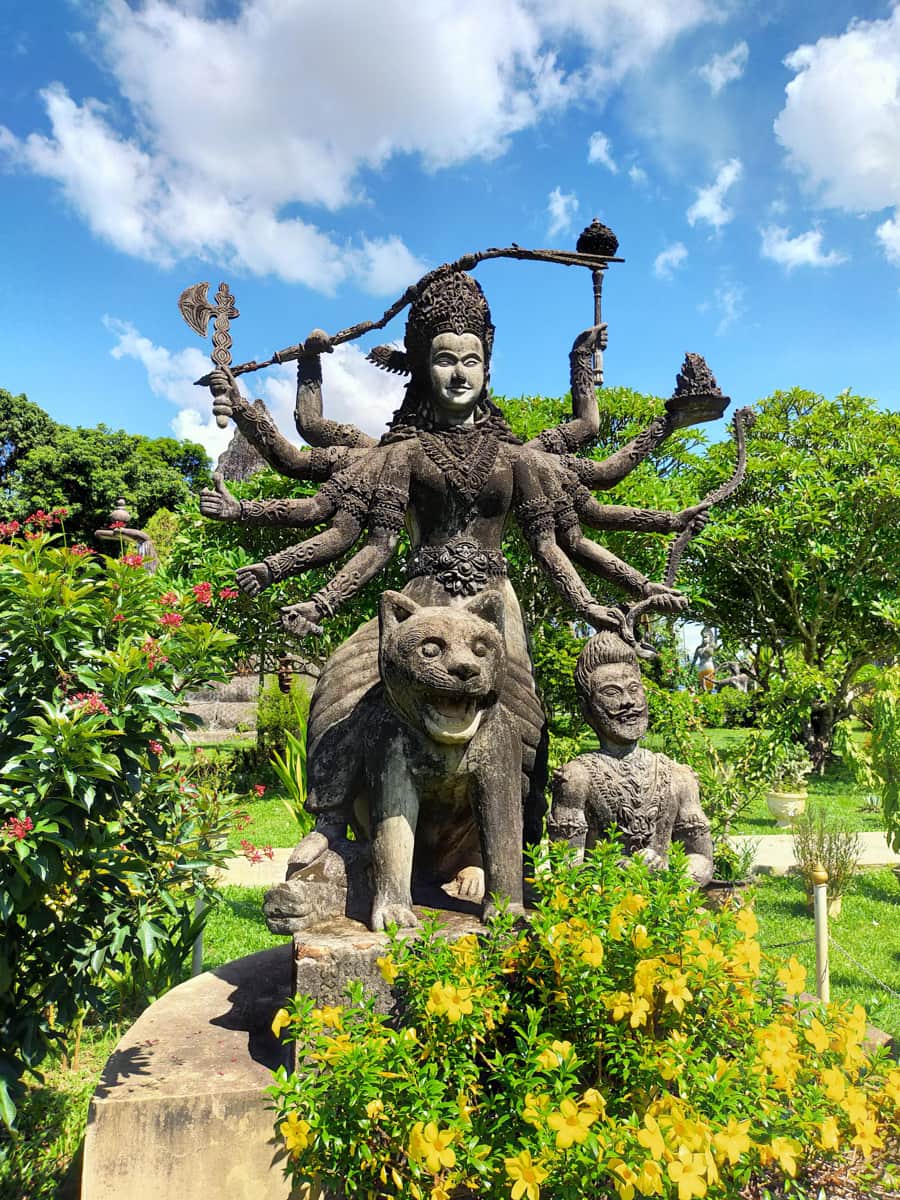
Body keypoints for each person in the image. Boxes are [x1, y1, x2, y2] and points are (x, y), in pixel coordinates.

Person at [548, 631, 714, 886]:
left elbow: (701, 857)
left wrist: (672, 873)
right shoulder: (577, 779)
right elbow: (565, 867)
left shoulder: (678, 776)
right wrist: (615, 869)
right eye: (612, 692)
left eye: (634, 689)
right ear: (586, 709)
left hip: (668, 911)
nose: (628, 702)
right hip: (600, 915)